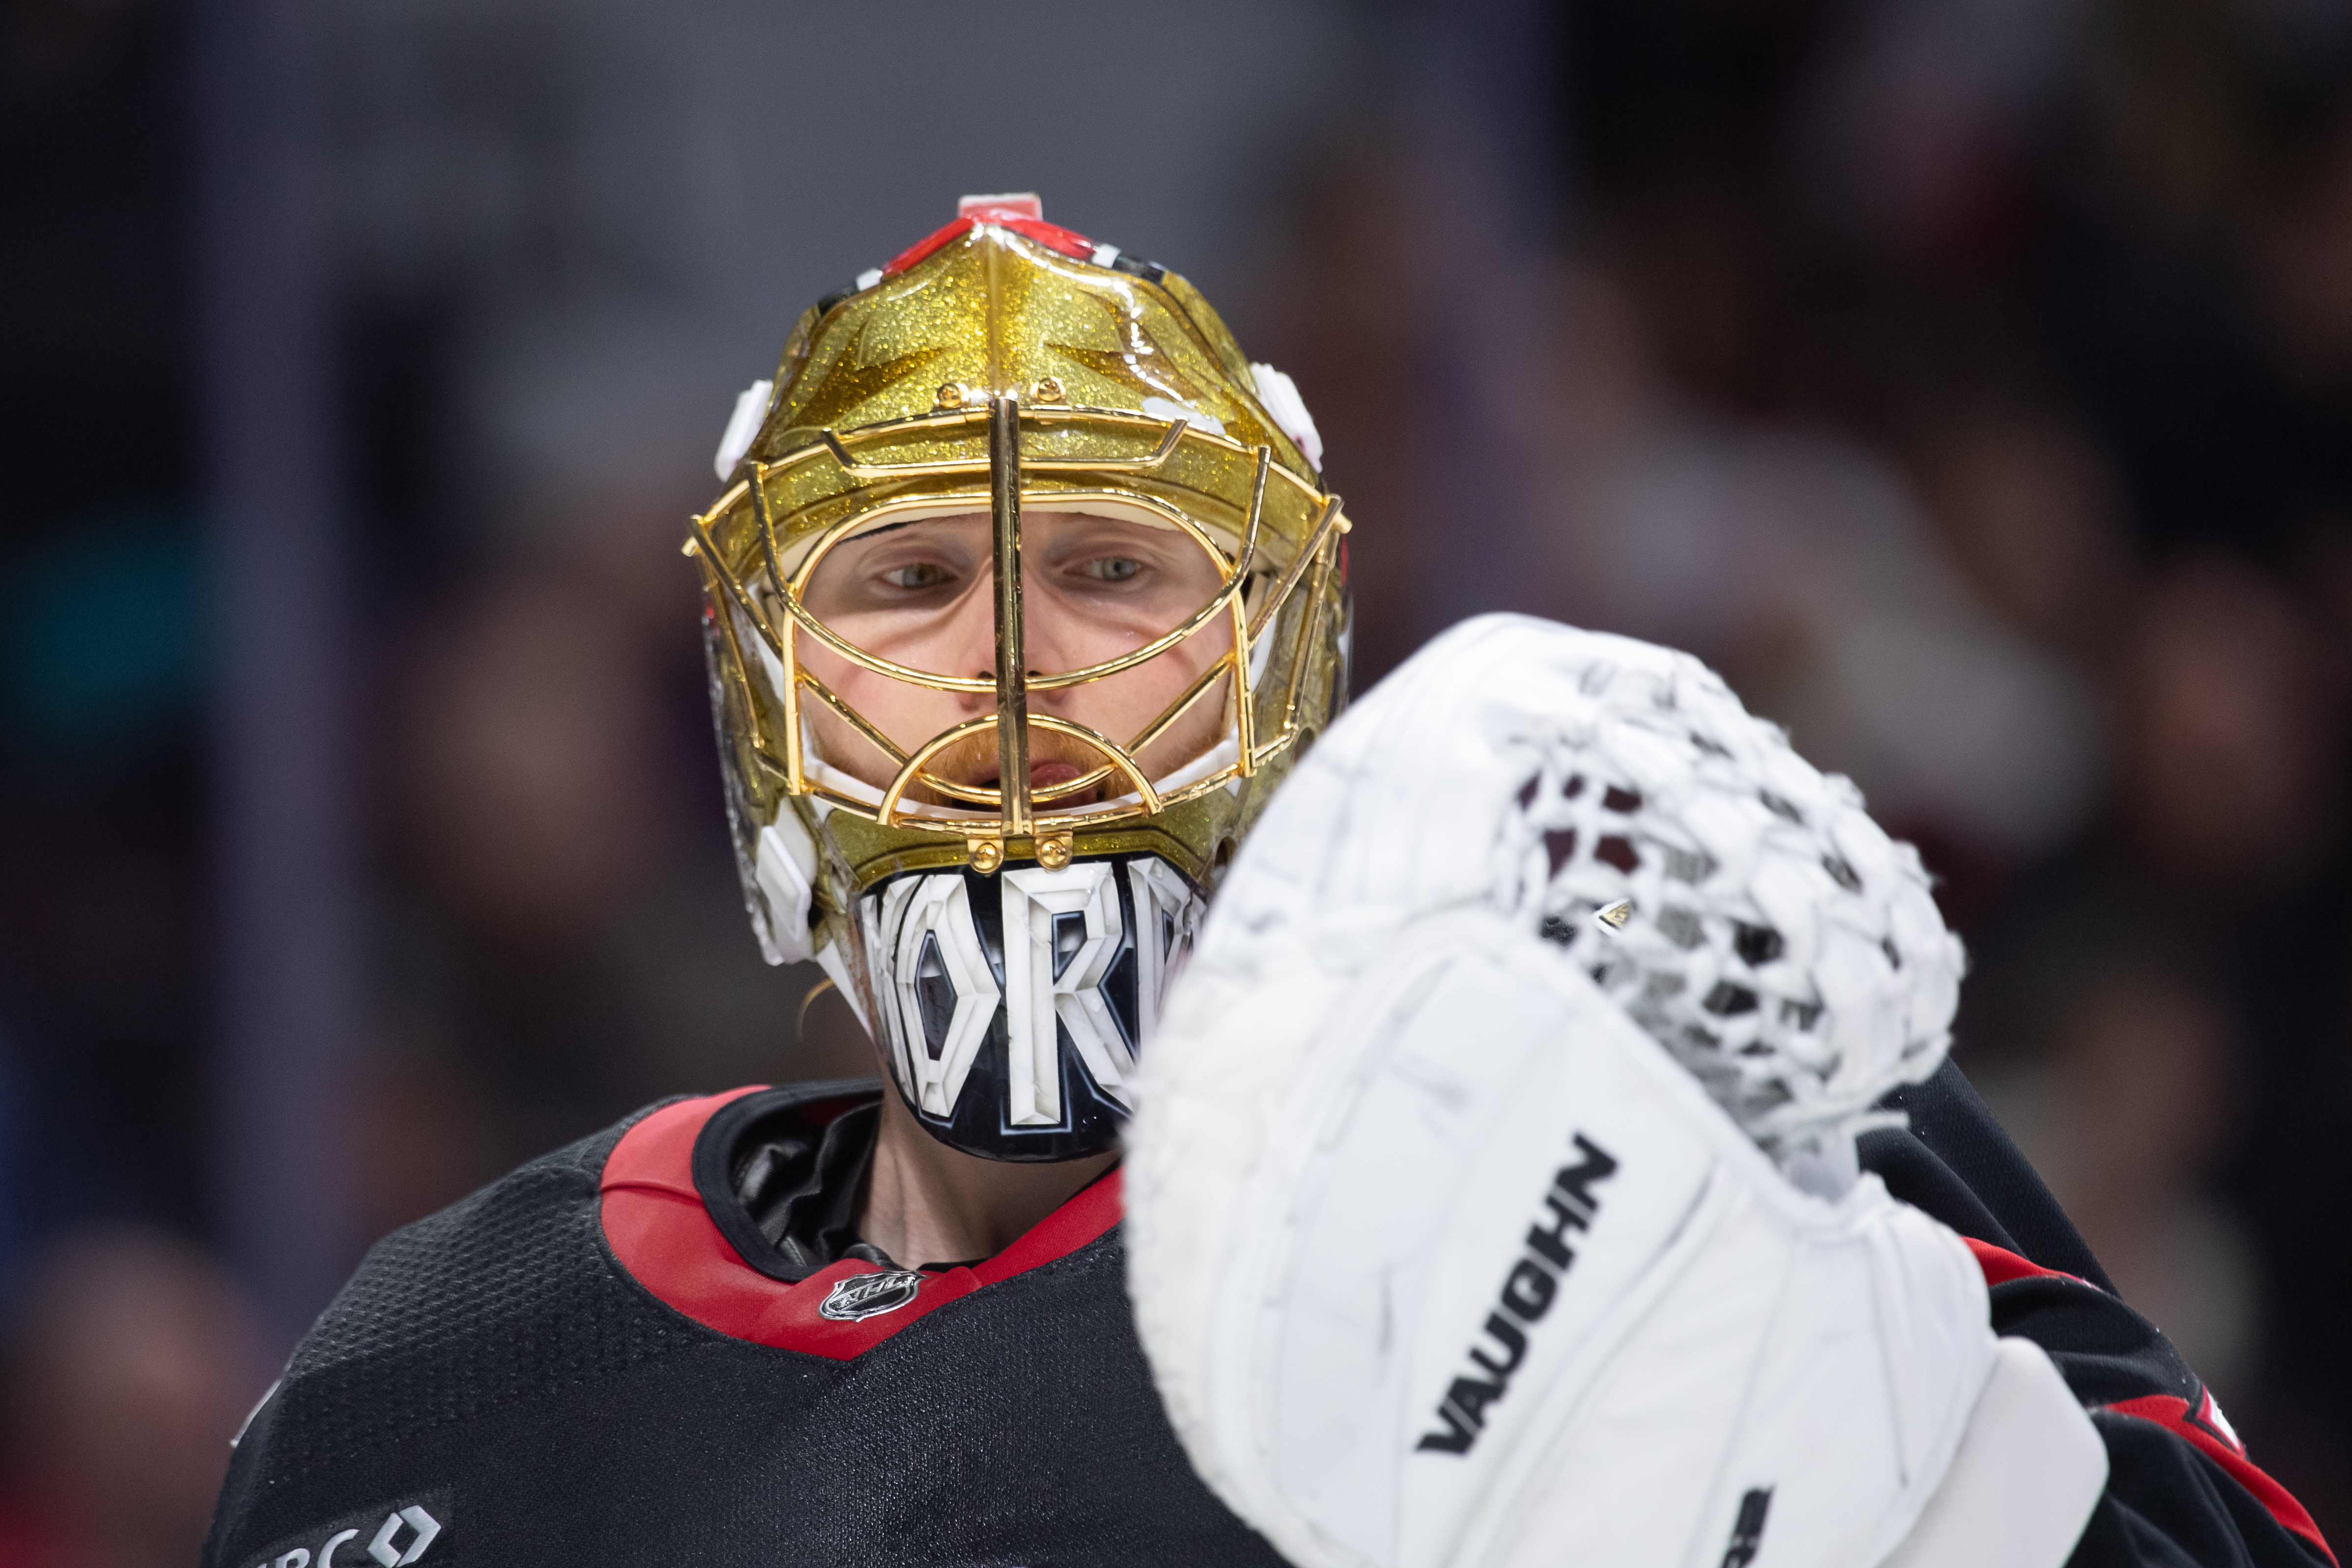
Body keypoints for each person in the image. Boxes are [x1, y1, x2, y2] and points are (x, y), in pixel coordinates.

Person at [206, 198, 2331, 1568]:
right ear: (765, 702)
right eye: (910, 579)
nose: (1012, 664)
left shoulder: (1646, 1100)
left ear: (1281, 667)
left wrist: (1934, 1466)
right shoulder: (423, 1364)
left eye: (1113, 568)